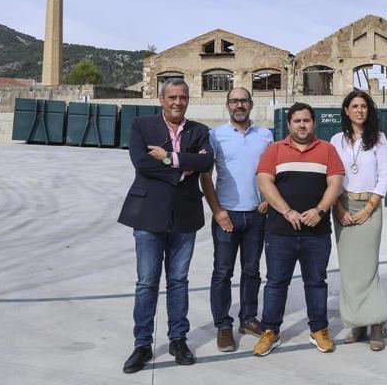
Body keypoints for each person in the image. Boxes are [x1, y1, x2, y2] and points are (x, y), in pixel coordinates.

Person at [118, 79, 214, 373]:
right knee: (147, 282)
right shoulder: (142, 125)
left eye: (182, 97)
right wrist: (183, 168)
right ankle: (142, 344)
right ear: (161, 99)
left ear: (188, 99)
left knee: (179, 281)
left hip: (184, 217)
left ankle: (177, 339)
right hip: (148, 216)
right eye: (172, 97)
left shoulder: (199, 131)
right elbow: (141, 163)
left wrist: (170, 158)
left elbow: (207, 162)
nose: (177, 102)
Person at [252, 102, 345, 357]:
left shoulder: (327, 150)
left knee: (316, 282)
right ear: (289, 124)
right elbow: (264, 181)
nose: (302, 125)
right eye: (297, 121)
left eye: (306, 120)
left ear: (313, 123)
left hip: (316, 233)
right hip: (279, 231)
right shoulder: (274, 150)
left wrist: (320, 210)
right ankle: (270, 331)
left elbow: (335, 184)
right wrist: (287, 211)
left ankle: (319, 329)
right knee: (275, 283)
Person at [200, 87, 273, 352]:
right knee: (222, 272)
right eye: (234, 101)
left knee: (252, 271)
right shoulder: (215, 136)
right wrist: (218, 210)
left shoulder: (266, 135)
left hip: (257, 214)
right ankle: (223, 326)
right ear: (227, 105)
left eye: (243, 101)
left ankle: (248, 319)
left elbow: (271, 172)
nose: (239, 105)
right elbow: (205, 177)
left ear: (251, 104)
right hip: (227, 215)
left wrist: (268, 199)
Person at [330, 90, 387, 351]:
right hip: (342, 205)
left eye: (364, 106)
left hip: (370, 205)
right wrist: (338, 208)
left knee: (368, 266)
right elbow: (331, 176)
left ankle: (376, 323)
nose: (359, 110)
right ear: (346, 110)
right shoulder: (336, 140)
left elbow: (385, 177)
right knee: (350, 268)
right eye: (354, 106)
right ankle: (358, 323)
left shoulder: (378, 139)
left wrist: (369, 208)